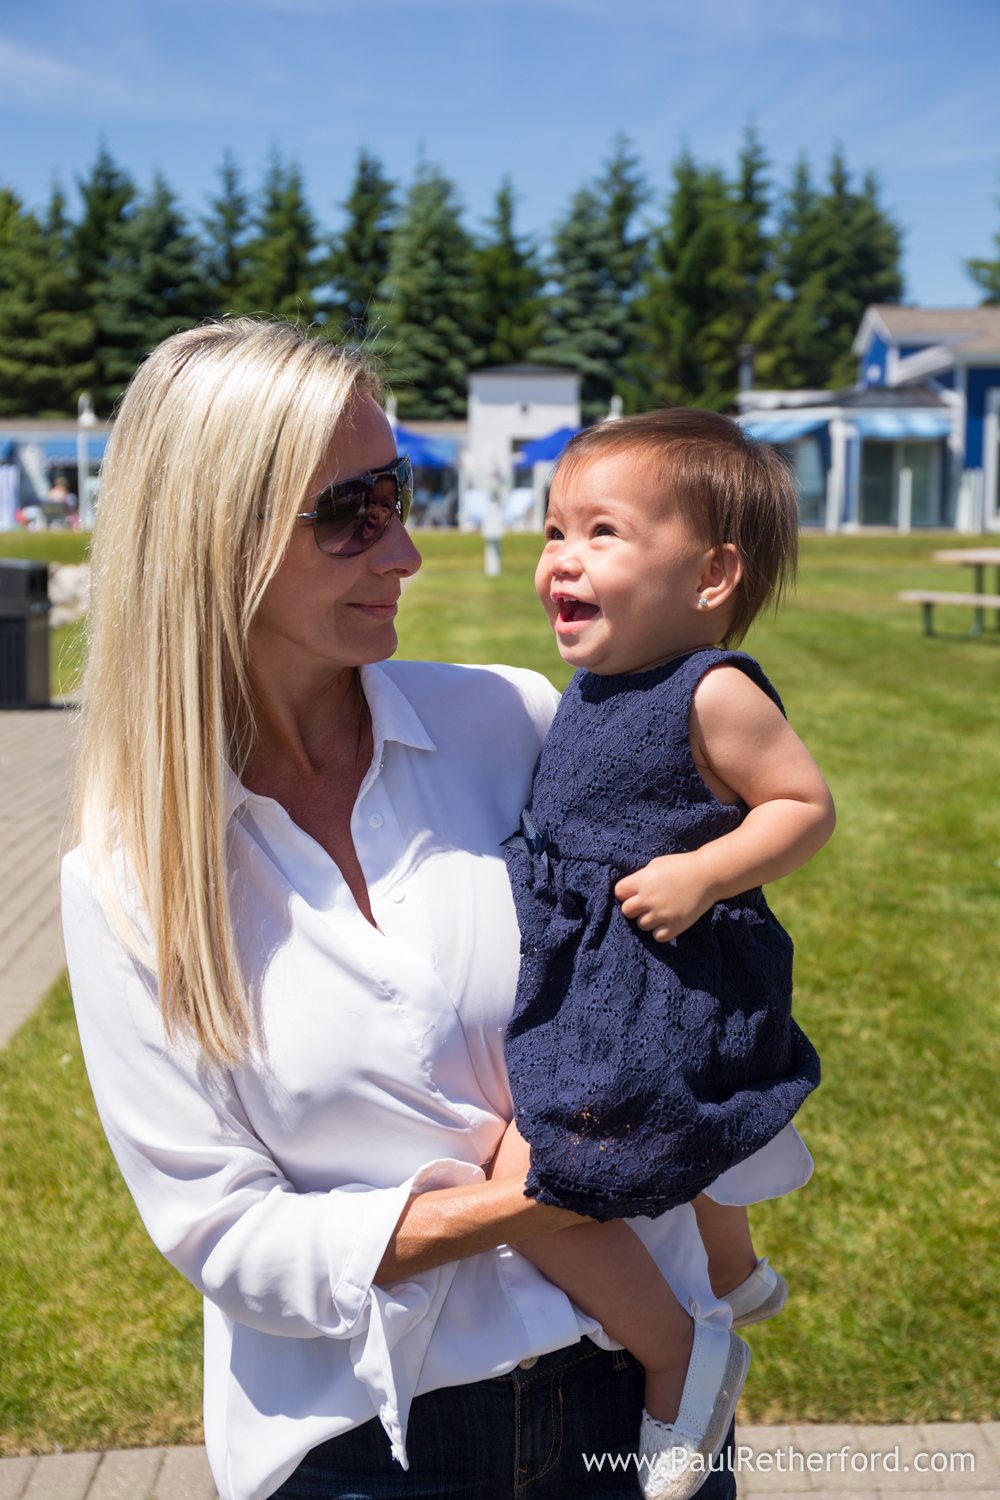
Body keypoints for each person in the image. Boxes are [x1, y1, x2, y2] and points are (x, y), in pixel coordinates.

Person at [61, 321, 742, 1500]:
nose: (407, 552)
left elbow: (697, 956)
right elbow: (227, 1237)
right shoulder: (125, 876)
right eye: (352, 512)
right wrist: (517, 1197)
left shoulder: (513, 722)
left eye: (401, 492)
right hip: (366, 1449)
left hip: (634, 1403)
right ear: (208, 540)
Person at [497, 410, 835, 1499]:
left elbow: (802, 806)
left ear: (710, 573)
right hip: (596, 955)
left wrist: (704, 873)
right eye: (556, 532)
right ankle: (731, 1278)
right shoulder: (595, 685)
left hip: (667, 963)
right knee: (662, 1128)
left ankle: (683, 1352)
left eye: (602, 533)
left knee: (585, 1146)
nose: (563, 559)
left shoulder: (714, 690)